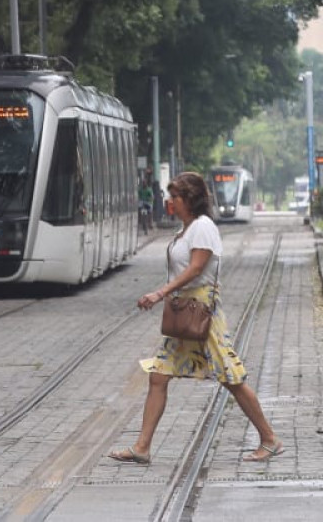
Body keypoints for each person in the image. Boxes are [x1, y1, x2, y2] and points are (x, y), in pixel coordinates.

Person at [110, 171, 283, 466]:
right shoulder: (187, 228)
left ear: (189, 199)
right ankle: (142, 447)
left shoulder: (202, 227)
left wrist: (159, 293)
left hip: (200, 315)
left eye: (174, 196)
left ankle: (269, 439)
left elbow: (195, 269)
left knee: (231, 377)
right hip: (184, 315)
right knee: (159, 376)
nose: (169, 202)